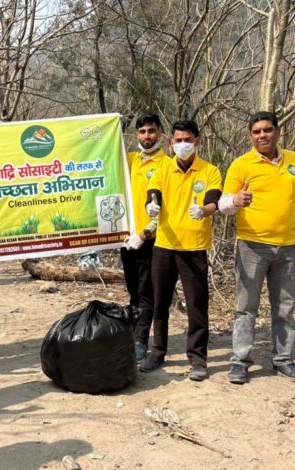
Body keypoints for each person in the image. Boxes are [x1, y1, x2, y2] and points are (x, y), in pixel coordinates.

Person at [219, 111, 295, 385]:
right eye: (256, 132)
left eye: (267, 130)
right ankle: (240, 362)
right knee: (246, 308)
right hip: (251, 246)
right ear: (250, 136)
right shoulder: (241, 165)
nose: (262, 135)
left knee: (284, 308)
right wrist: (236, 200)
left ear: (278, 131)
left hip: (287, 247)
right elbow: (223, 205)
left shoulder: (294, 161)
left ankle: (284, 360)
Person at [140, 120, 222, 381]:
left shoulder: (210, 171)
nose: (182, 144)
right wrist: (150, 207)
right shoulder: (163, 168)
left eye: (188, 139)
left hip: (194, 247)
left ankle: (198, 359)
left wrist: (205, 210)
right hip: (164, 245)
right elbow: (153, 195)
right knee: (159, 302)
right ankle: (157, 351)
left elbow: (213, 200)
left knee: (197, 305)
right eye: (178, 140)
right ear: (171, 142)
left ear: (198, 141)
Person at [121, 112, 167, 361]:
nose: (147, 136)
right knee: (132, 291)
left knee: (146, 291)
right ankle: (131, 335)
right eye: (142, 132)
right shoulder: (129, 160)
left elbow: (167, 208)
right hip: (127, 239)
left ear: (159, 132)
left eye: (151, 131)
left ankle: (140, 340)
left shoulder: (166, 164)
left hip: (151, 239)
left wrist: (146, 231)